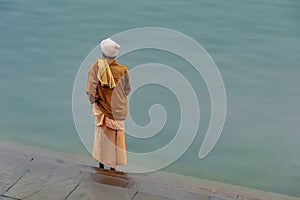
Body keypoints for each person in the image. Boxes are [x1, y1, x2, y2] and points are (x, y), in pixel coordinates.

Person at [86, 38, 131, 171]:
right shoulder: (122, 69)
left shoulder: (97, 67)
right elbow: (127, 89)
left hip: (103, 109)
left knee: (102, 140)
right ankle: (113, 169)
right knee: (115, 140)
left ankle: (101, 166)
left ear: (103, 53)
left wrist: (96, 101)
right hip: (118, 110)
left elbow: (90, 90)